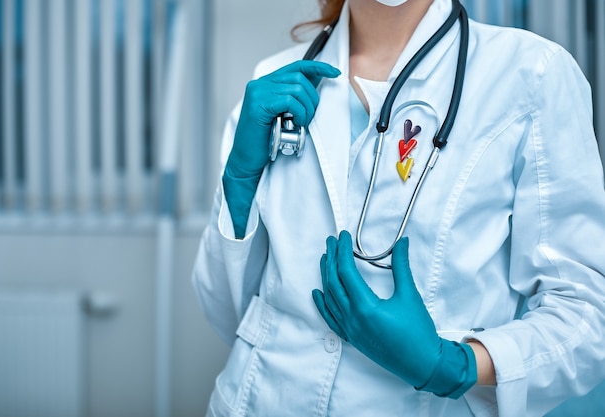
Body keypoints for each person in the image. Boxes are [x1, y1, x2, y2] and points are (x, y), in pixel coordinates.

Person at [192, 0, 605, 415]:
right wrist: (239, 179)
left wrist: (451, 365)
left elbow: (584, 314)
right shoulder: (274, 80)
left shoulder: (530, 76)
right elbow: (228, 314)